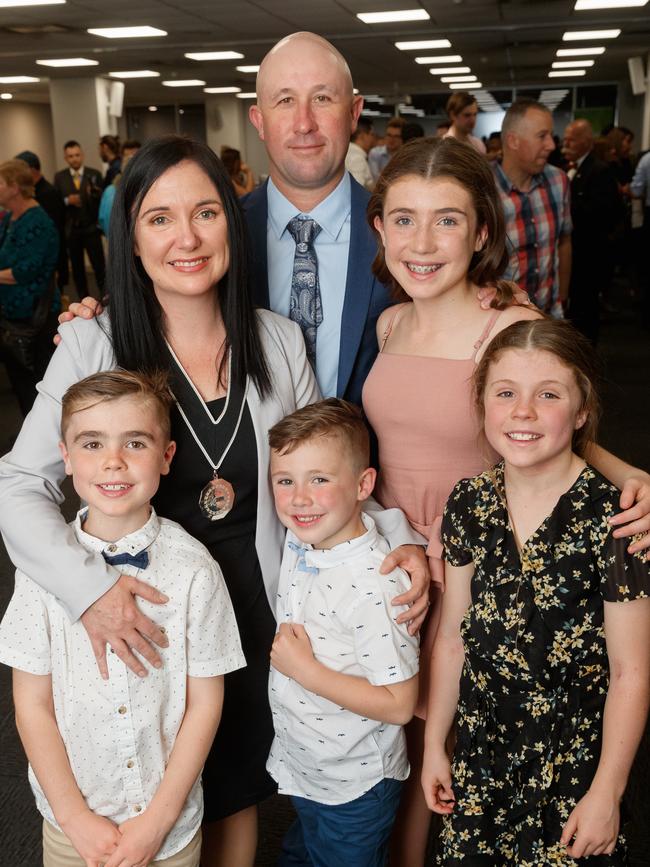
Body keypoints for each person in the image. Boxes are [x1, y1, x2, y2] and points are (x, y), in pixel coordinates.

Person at [0, 134, 427, 867]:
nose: (187, 237)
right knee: (164, 805)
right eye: (159, 218)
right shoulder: (92, 344)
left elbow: (330, 463)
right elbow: (18, 484)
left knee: (237, 794)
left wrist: (396, 537)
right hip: (148, 624)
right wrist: (87, 592)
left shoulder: (277, 340)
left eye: (205, 213)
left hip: (260, 614)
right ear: (130, 238)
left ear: (234, 223)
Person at [363, 135, 540, 865]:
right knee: (399, 757)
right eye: (404, 219)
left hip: (474, 575)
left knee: (464, 771)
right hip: (393, 567)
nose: (422, 241)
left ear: (483, 232)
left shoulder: (508, 328)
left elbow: (562, 440)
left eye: (447, 220)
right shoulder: (391, 323)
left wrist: (635, 475)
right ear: (380, 228)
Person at [422, 318, 650, 865]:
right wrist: (435, 743)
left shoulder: (616, 520)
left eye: (547, 395)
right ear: (482, 406)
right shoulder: (469, 503)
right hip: (483, 757)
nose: (522, 412)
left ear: (581, 412)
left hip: (575, 765)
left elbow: (631, 672)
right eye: (505, 394)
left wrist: (607, 793)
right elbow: (454, 637)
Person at [0, 369, 245, 867]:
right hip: (73, 823)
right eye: (91, 444)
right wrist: (75, 819)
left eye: (135, 442)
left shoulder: (195, 570)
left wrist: (157, 822)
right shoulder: (40, 570)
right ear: (65, 457)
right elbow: (31, 707)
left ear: (167, 457)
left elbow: (205, 705)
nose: (113, 461)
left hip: (167, 826)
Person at [267, 399, 419, 866]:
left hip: (356, 783)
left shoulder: (374, 583)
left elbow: (399, 705)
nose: (298, 498)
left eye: (320, 479)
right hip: (309, 765)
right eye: (285, 481)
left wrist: (306, 672)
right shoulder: (303, 538)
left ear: (363, 485)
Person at [494, 99, 571, 317]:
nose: (551, 145)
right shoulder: (483, 190)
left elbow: (564, 241)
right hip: (500, 319)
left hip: (549, 314)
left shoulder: (558, 181)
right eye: (542, 136)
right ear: (513, 141)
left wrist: (562, 298)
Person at [0, 158, 59, 415]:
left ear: (14, 187)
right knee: (21, 384)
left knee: (38, 385)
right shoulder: (10, 217)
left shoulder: (38, 221)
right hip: (14, 317)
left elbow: (25, 271)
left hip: (35, 318)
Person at [562, 119, 622, 344]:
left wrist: (566, 207)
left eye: (572, 139)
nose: (565, 143)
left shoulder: (599, 171)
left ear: (587, 142)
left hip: (588, 255)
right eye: (565, 138)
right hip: (571, 256)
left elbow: (606, 213)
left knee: (585, 314)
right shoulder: (566, 168)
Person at [54, 139, 105, 297]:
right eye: (70, 156)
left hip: (91, 228)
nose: (74, 158)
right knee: (77, 269)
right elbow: (55, 202)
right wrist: (67, 200)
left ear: (82, 155)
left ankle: (107, 298)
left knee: (99, 267)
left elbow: (103, 201)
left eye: (77, 155)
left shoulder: (94, 173)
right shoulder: (60, 177)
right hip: (72, 230)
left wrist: (94, 195)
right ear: (65, 158)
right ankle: (83, 301)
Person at [14, 149, 68, 291]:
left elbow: (55, 233)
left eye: (19, 171)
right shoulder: (35, 193)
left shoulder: (48, 193)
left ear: (31, 170)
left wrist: (55, 267)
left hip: (51, 264)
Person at [98, 139, 141, 237]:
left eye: (135, 157)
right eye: (128, 157)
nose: (131, 161)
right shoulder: (112, 192)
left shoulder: (153, 187)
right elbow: (106, 223)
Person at [368, 116, 405, 182]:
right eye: (389, 135)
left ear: (402, 138)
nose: (392, 140)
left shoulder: (405, 155)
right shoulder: (375, 153)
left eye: (396, 136)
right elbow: (375, 178)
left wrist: (384, 174)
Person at [345, 117, 375, 190]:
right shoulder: (357, 158)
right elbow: (356, 191)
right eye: (371, 134)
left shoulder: (347, 152)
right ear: (362, 136)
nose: (373, 138)